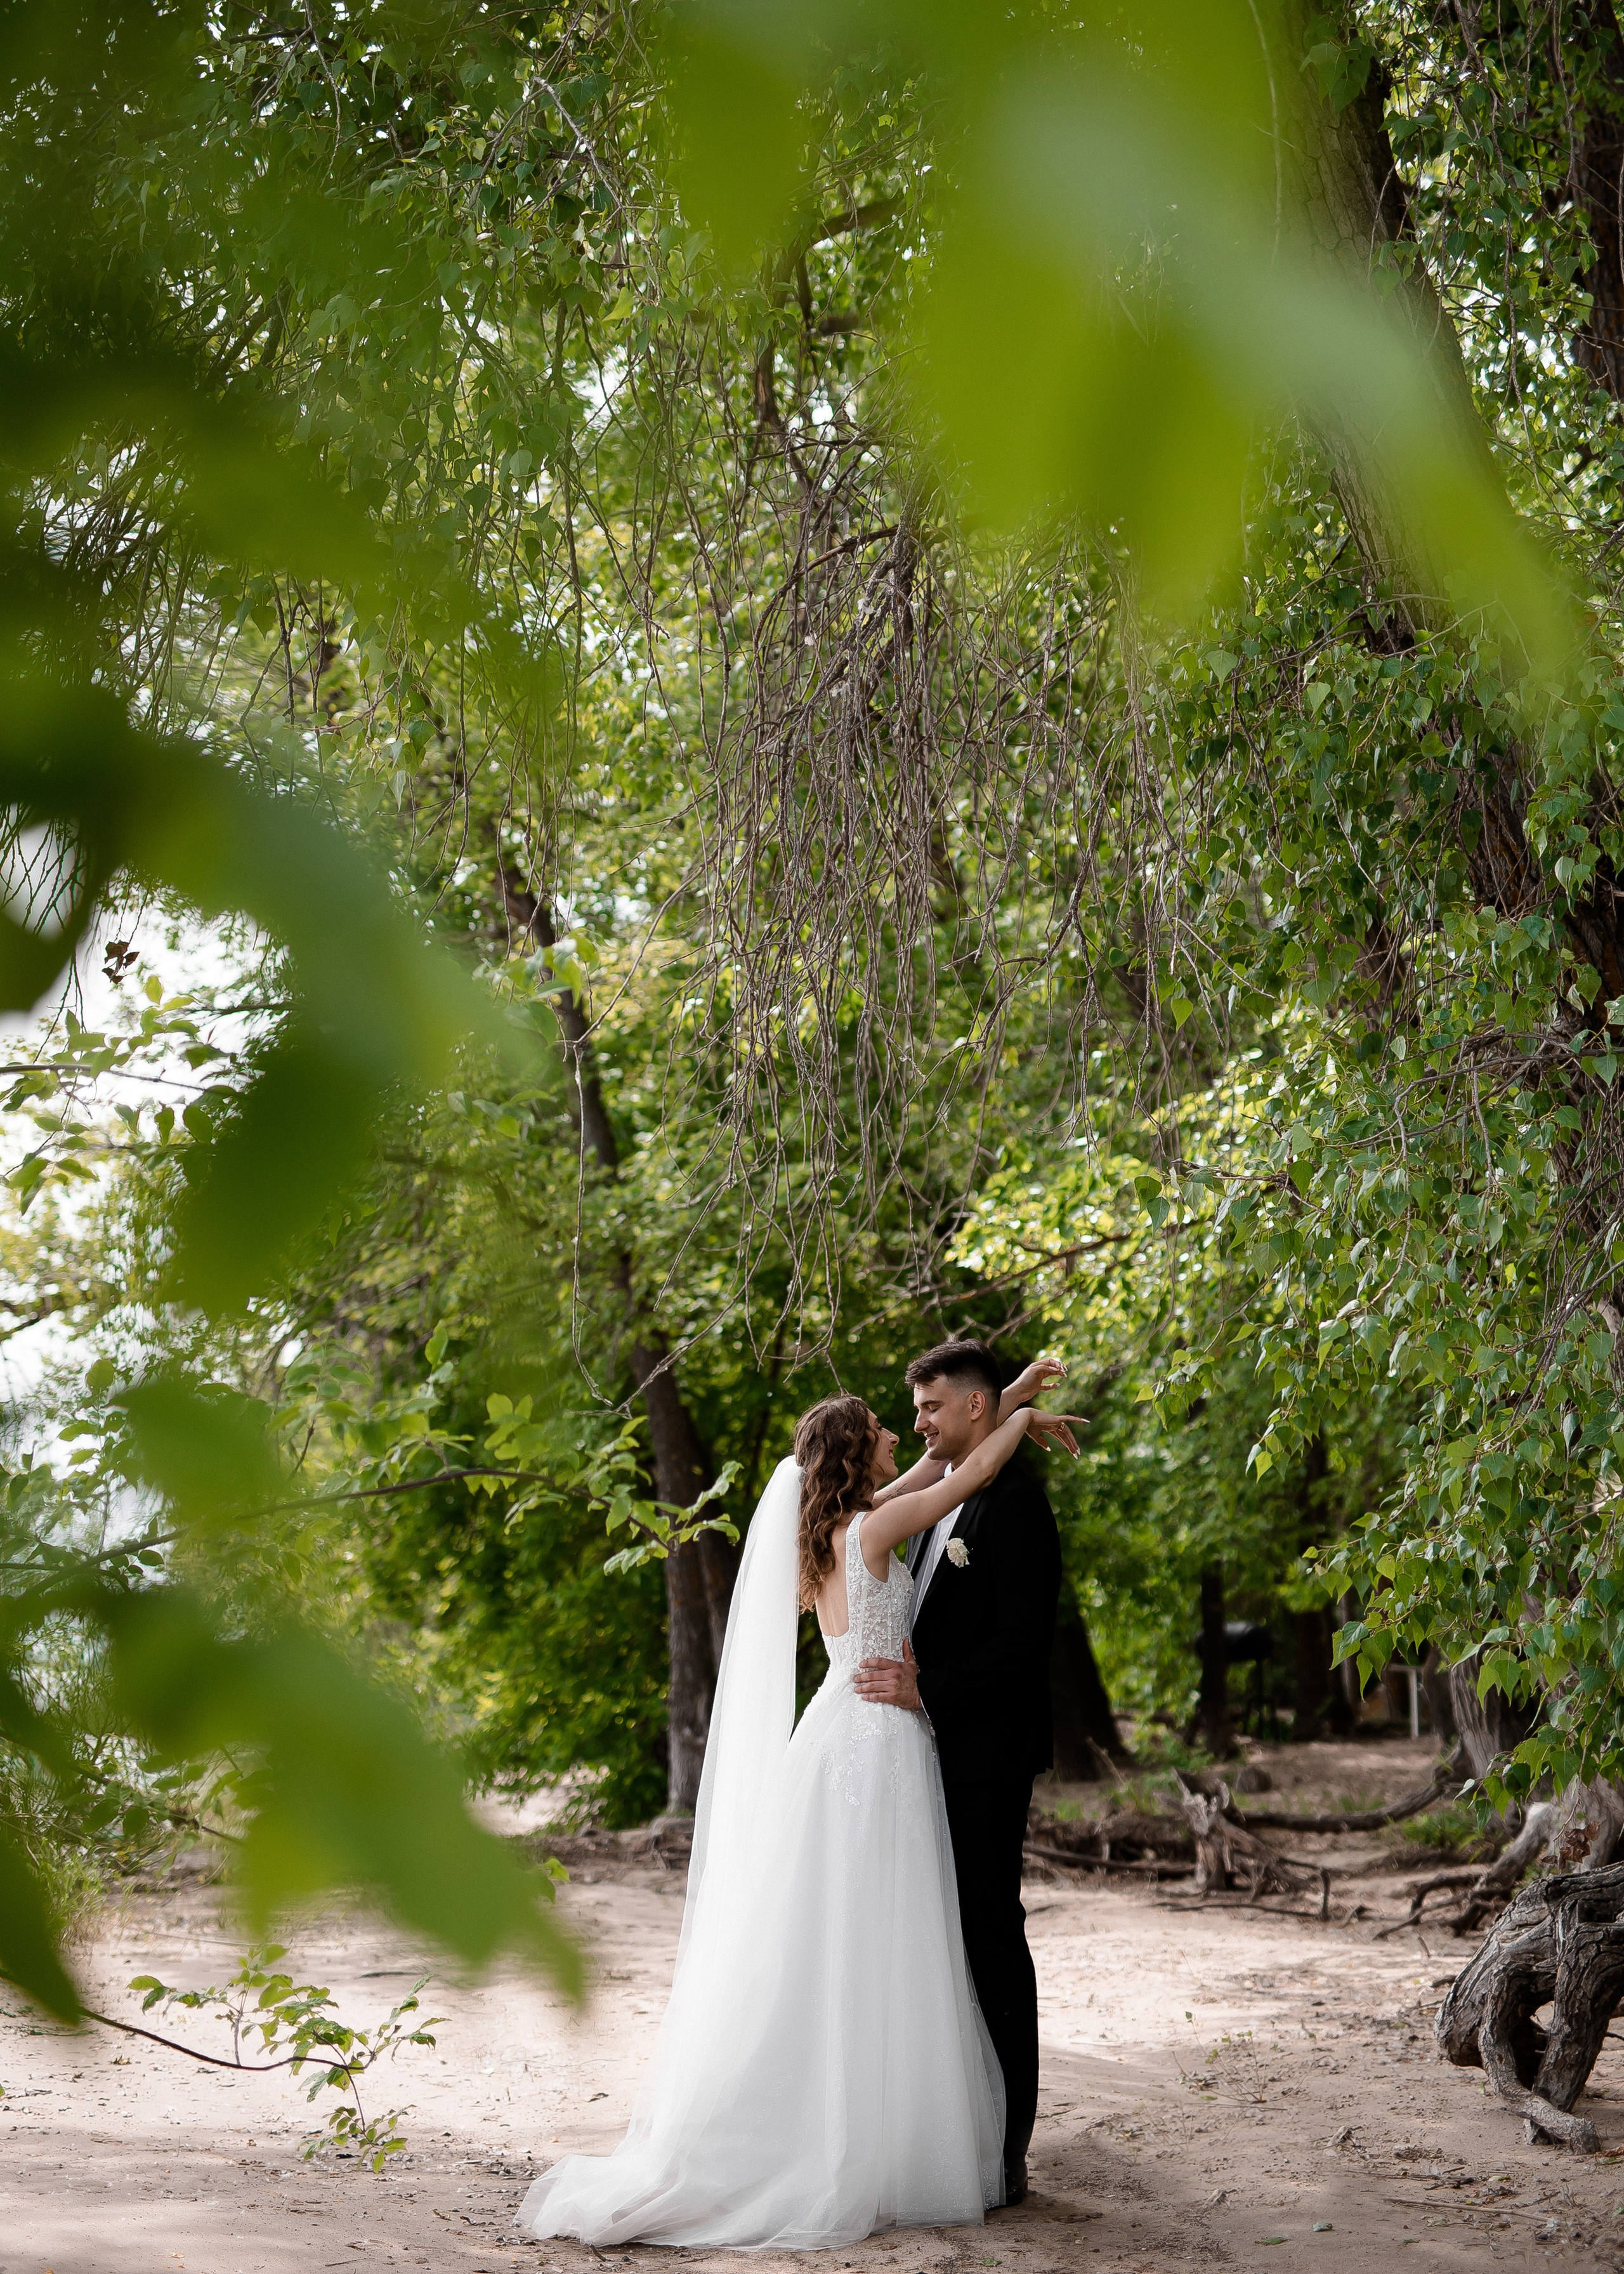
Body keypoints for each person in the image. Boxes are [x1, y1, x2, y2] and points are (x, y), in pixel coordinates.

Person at [517, 1384, 1068, 2250]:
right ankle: (869, 2133)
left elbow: (935, 1464)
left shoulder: (834, 1535)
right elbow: (968, 1473)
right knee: (884, 1930)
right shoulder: (877, 1529)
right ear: (858, 1454)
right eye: (885, 1431)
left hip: (831, 1733)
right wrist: (1021, 1424)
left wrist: (1006, 1396)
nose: (901, 1435)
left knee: (829, 1927)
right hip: (881, 1741)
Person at [853, 1342, 1067, 2207]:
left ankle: (1008, 2143)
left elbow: (1023, 1646)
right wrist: (1014, 1406)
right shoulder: (942, 1492)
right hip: (924, 1757)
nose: (918, 1424)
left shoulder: (1014, 1507)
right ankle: (954, 2127)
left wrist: (925, 1689)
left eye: (932, 1408)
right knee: (936, 1943)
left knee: (988, 1936)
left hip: (985, 1757)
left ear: (972, 1409)